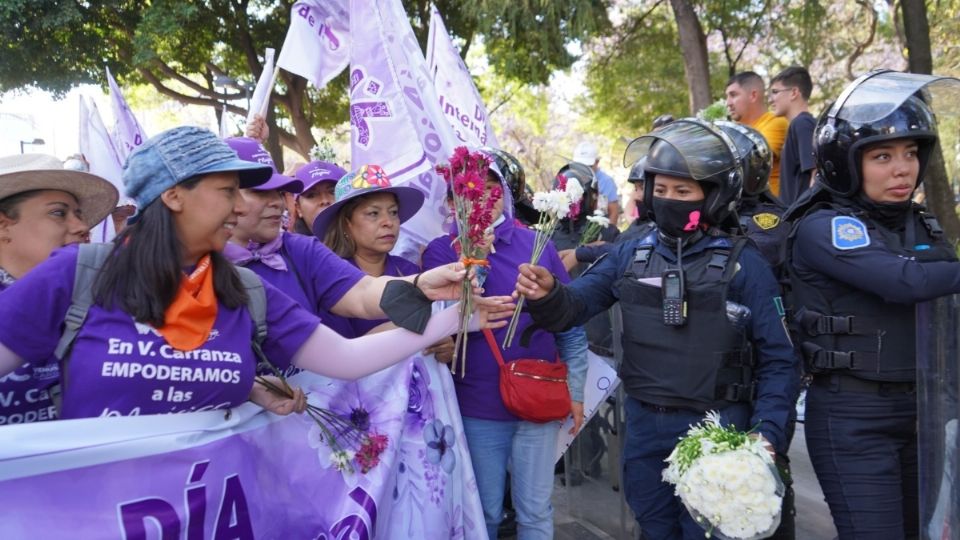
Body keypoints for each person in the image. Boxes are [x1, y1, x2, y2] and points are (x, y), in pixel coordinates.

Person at [0, 126, 510, 420]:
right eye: (228, 191)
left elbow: (349, 358)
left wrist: (452, 317)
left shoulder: (243, 290)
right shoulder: (77, 275)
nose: (240, 208)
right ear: (173, 195)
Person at [515, 118, 798, 539]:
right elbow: (574, 306)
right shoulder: (630, 252)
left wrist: (767, 433)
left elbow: (780, 360)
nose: (668, 200)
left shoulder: (746, 265)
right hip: (646, 428)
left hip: (719, 431)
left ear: (714, 194)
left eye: (683, 191)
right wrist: (548, 293)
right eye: (660, 190)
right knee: (654, 528)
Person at [784, 70, 960, 539]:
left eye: (910, 153)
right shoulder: (823, 225)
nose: (903, 169)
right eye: (882, 156)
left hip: (923, 413)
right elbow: (904, 280)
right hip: (854, 418)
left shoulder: (920, 223)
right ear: (846, 161)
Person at [422, 155, 588, 540]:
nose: (484, 198)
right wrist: (475, 255)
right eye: (469, 191)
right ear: (451, 202)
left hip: (539, 401)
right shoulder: (440, 252)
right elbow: (441, 324)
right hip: (477, 406)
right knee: (485, 514)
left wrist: (576, 391)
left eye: (493, 189)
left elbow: (570, 323)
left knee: (535, 513)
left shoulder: (536, 243)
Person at [0, 154, 119, 425]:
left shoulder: (105, 300)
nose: (81, 227)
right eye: (58, 213)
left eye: (78, 214)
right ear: (3, 226)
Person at [726, 71, 788, 198]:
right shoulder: (735, 130)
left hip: (769, 207)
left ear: (753, 95)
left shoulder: (776, 123)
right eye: (727, 97)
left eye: (733, 95)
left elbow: (754, 159)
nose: (728, 103)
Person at [770, 66, 816, 206]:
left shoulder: (802, 123)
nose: (771, 100)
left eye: (775, 92)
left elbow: (816, 175)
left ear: (794, 92)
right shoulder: (799, 124)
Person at [292, 160, 346, 236]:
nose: (325, 200)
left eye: (332, 192)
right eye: (311, 195)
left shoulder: (364, 244)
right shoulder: (290, 247)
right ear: (298, 208)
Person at [573, 140, 620, 224]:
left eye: (588, 166)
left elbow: (614, 212)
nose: (584, 169)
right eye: (580, 166)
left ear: (597, 162)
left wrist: (609, 234)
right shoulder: (571, 179)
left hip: (596, 228)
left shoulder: (606, 182)